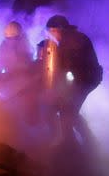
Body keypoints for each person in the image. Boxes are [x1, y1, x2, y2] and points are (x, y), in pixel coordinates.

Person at [44, 14, 102, 147]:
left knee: (67, 113)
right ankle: (86, 142)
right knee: (67, 110)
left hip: (86, 80)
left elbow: (71, 67)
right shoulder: (62, 41)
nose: (50, 35)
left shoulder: (76, 41)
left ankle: (74, 146)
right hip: (76, 80)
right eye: (49, 31)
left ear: (61, 29)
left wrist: (64, 88)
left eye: (53, 31)